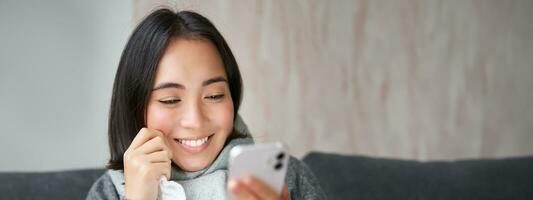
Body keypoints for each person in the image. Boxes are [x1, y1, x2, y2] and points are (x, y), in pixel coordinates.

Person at [86, 8, 326, 200]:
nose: (195, 120)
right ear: (135, 106)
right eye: (170, 100)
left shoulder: (285, 178)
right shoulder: (109, 192)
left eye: (214, 96)